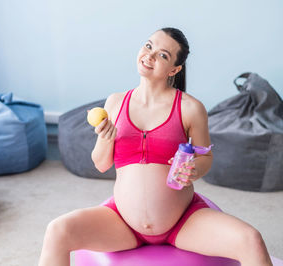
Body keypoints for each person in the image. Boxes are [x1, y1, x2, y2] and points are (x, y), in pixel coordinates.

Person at [38, 27, 272, 266]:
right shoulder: (115, 102)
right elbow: (100, 164)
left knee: (251, 240)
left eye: (163, 55)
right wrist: (106, 138)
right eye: (148, 46)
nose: (149, 55)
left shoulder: (190, 107)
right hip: (122, 222)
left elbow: (205, 156)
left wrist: (194, 169)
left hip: (183, 221)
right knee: (57, 231)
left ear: (174, 69)